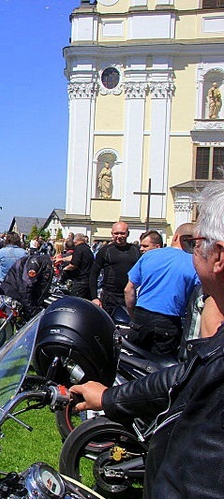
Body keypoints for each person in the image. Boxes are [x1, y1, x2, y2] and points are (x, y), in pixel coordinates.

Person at [71, 181, 224, 498]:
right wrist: (110, 399)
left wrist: (130, 314)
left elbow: (130, 290)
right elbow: (185, 375)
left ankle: (142, 429)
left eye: (199, 244)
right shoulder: (211, 355)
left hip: (139, 319)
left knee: (146, 368)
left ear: (218, 256)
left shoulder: (149, 258)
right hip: (168, 324)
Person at [123, 223, 200, 359]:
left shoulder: (150, 255)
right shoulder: (194, 263)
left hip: (141, 316)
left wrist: (133, 315)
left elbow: (128, 290)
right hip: (169, 321)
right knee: (159, 369)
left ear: (175, 237)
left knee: (133, 362)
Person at [89, 221, 141, 317]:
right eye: (116, 233)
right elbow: (93, 274)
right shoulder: (105, 251)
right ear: (112, 234)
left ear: (128, 234)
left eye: (122, 233)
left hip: (131, 295)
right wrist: (94, 297)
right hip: (110, 297)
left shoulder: (135, 250)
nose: (119, 236)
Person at [61, 233, 93, 299]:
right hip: (88, 281)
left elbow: (73, 265)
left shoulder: (78, 249)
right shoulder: (87, 249)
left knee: (74, 301)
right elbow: (74, 257)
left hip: (80, 281)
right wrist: (61, 259)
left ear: (75, 241)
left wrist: (65, 269)